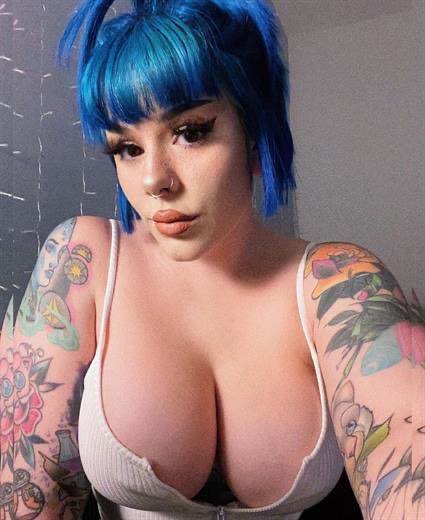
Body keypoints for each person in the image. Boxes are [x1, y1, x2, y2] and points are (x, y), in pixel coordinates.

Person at [1, 0, 423, 518]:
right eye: (128, 148)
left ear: (254, 130)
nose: (154, 180)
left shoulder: (338, 285)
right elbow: (28, 499)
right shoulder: (82, 263)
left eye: (191, 131)